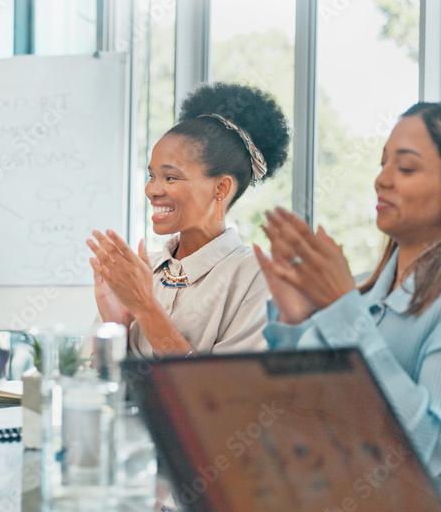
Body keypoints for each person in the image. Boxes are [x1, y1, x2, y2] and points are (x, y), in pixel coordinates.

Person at [258, 102, 441, 478]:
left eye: (405, 167)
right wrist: (297, 321)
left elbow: (430, 449)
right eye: (382, 163)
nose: (382, 180)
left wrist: (343, 314)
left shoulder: (348, 305)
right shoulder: (358, 296)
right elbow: (296, 418)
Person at [87, 82, 290, 357]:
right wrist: (115, 327)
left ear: (221, 188)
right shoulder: (142, 269)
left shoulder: (261, 276)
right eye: (151, 176)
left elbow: (225, 393)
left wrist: (146, 308)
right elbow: (89, 386)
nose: (152, 190)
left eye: (170, 177)